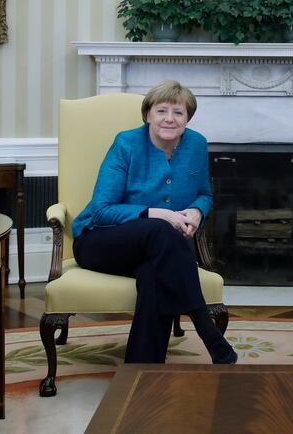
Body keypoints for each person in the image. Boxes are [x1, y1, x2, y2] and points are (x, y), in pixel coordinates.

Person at [71, 80, 236, 365]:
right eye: (161, 111)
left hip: (156, 250)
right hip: (99, 242)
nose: (169, 119)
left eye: (178, 113)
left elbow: (204, 194)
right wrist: (160, 214)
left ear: (188, 119)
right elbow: (101, 211)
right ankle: (207, 329)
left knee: (153, 274)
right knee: (161, 230)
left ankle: (143, 370)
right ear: (148, 115)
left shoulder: (196, 144)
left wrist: (197, 211)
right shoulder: (126, 143)